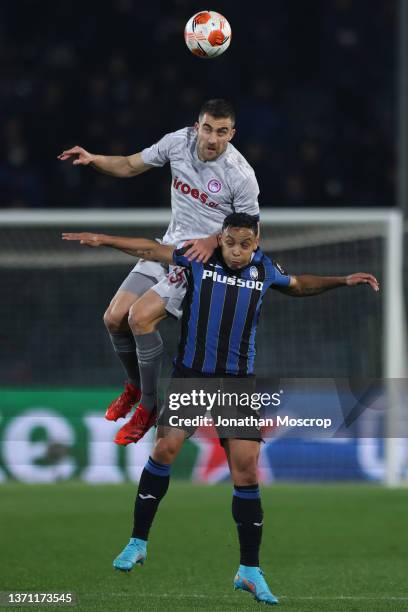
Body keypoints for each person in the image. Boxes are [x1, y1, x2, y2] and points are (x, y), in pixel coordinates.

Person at [63, 213, 379, 604]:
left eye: (245, 244)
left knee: (246, 472)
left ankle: (249, 570)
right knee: (164, 451)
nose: (237, 251)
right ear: (221, 239)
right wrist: (104, 238)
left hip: (236, 384)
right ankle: (137, 542)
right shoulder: (197, 258)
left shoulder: (264, 268)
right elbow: (151, 249)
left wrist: (343, 280)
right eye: (230, 242)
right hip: (193, 376)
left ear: (256, 240)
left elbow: (298, 285)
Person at [58, 99, 260, 444]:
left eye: (222, 132)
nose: (212, 139)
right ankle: (135, 388)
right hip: (167, 247)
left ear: (232, 134)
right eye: (208, 128)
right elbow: (128, 165)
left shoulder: (240, 175)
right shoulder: (177, 143)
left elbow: (252, 232)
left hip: (200, 261)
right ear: (198, 126)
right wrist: (94, 159)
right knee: (113, 317)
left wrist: (213, 241)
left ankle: (149, 407)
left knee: (139, 318)